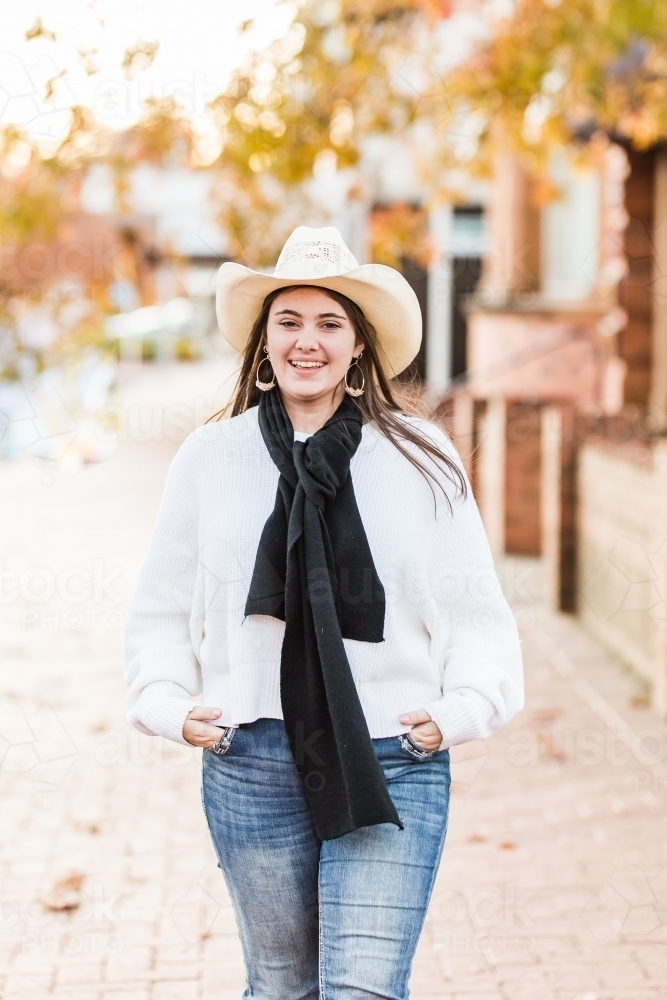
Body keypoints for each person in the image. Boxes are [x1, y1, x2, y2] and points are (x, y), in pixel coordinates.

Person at [123, 226, 524, 1000]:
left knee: (361, 990)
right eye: (289, 321)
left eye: (329, 323)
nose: (308, 341)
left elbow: (475, 609)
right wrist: (169, 706)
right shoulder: (210, 459)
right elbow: (160, 608)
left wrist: (462, 708)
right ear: (264, 343)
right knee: (281, 987)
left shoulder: (420, 457)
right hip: (250, 761)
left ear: (359, 346)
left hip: (390, 756)